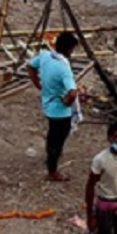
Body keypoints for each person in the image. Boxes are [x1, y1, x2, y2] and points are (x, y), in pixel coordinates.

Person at [28, 31, 80, 181]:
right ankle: (53, 170)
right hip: (61, 111)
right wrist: (67, 102)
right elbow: (72, 93)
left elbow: (30, 66)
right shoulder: (64, 69)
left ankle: (51, 158)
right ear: (70, 49)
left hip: (48, 104)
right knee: (57, 139)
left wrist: (38, 84)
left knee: (52, 135)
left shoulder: (45, 56)